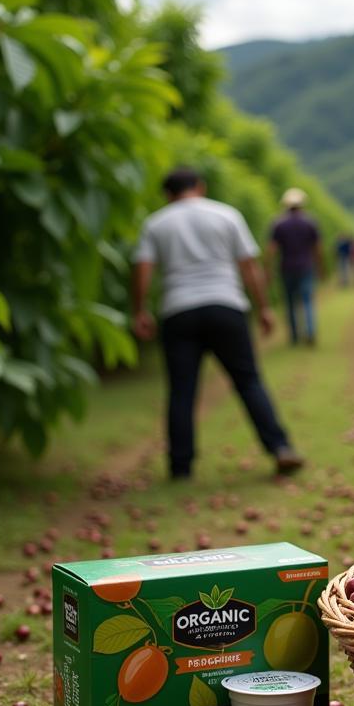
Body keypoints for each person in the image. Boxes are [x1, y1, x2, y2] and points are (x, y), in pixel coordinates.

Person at [131, 167, 303, 479]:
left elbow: (143, 268)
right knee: (248, 380)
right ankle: (280, 447)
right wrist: (264, 308)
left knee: (182, 390)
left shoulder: (156, 223)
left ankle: (180, 467)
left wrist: (140, 311)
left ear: (168, 194)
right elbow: (248, 265)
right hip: (226, 305)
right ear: (200, 187)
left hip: (178, 310)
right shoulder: (226, 215)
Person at [268, 188, 322, 346]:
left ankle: (294, 336)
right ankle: (310, 332)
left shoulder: (279, 224)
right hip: (305, 267)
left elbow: (271, 249)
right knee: (307, 301)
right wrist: (320, 267)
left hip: (287, 267)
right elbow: (317, 248)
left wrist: (268, 269)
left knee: (290, 303)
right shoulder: (310, 222)